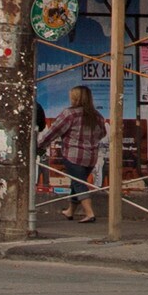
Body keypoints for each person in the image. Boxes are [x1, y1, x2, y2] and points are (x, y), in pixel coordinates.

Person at [39, 85, 106, 223]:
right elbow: (103, 133)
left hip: (73, 155)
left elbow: (53, 132)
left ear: (75, 98)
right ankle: (70, 211)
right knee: (77, 182)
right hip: (91, 157)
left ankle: (89, 213)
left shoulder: (69, 114)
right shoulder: (97, 115)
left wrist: (39, 146)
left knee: (79, 183)